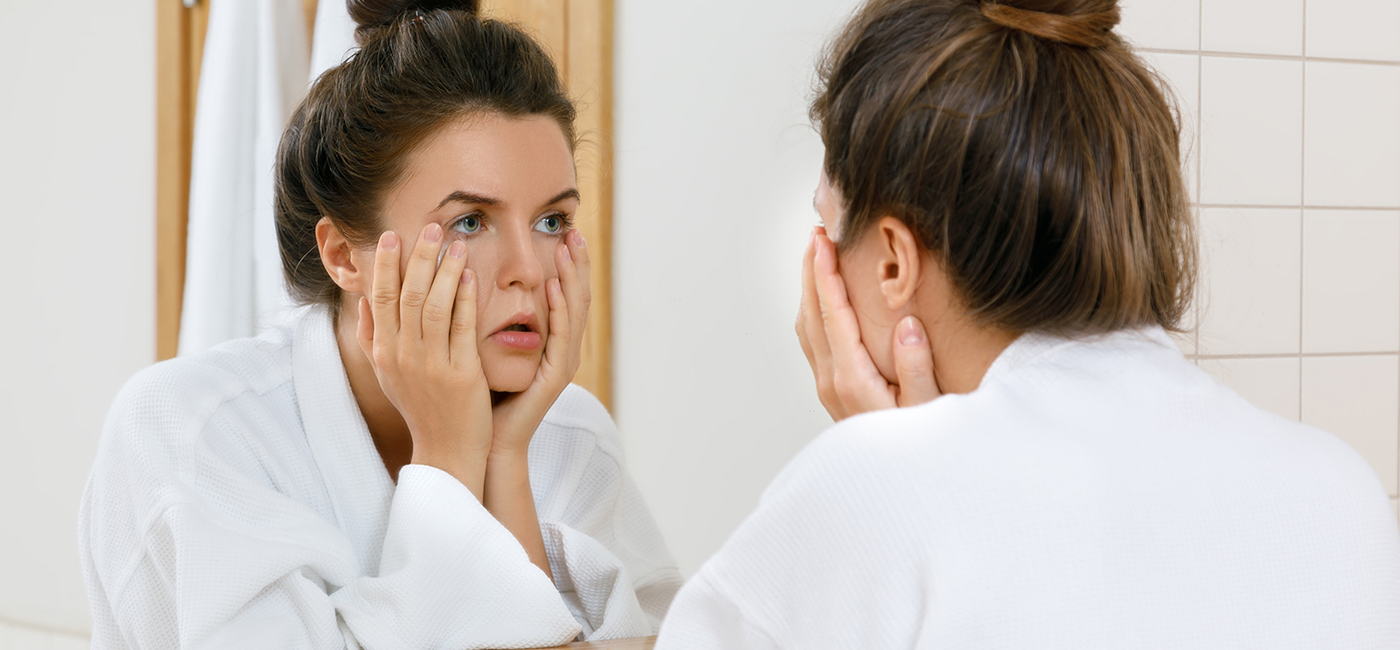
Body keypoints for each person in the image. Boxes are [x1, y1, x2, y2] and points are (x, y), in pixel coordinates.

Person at [656, 0, 1400, 647]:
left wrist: (891, 460)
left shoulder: (872, 492)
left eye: (825, 225)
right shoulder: (1341, 493)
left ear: (891, 262)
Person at [79, 2, 680, 648]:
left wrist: (503, 461)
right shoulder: (190, 435)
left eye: (551, 221)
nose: (529, 270)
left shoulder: (570, 438)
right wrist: (449, 463)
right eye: (470, 222)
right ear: (343, 256)